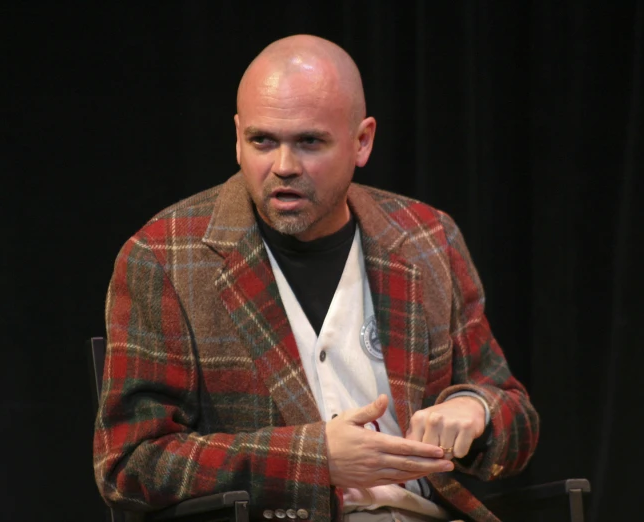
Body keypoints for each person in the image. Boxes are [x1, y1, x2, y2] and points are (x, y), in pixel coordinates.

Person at [93, 34, 539, 522]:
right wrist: (314, 459)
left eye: (310, 142)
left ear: (362, 141)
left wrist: (475, 409)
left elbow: (515, 419)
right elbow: (131, 465)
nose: (283, 167)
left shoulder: (427, 238)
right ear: (237, 137)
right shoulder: (166, 257)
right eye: (262, 141)